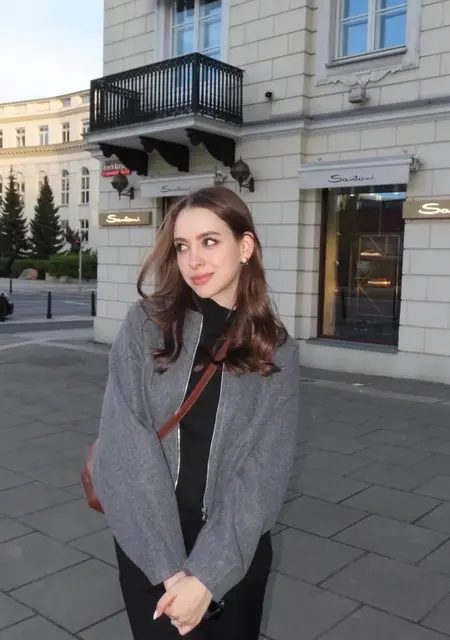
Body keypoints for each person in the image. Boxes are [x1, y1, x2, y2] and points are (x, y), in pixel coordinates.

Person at [92, 185, 300, 639]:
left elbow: (264, 472)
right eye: (182, 246)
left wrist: (207, 575)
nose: (193, 260)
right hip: (148, 544)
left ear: (244, 247)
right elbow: (125, 443)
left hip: (233, 550)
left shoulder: (274, 348)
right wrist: (171, 573)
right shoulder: (147, 325)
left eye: (209, 241)